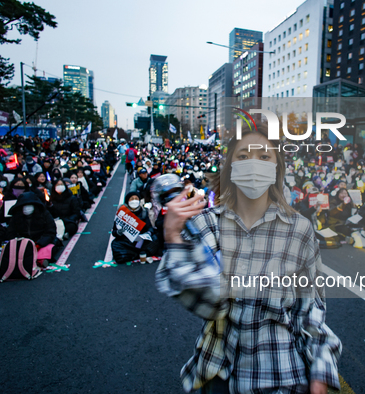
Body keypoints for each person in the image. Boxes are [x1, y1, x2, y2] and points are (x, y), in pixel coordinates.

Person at [156, 124, 341, 394]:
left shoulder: (299, 230)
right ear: (230, 166)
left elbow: (311, 311)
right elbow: (210, 304)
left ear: (277, 167)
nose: (253, 164)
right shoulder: (208, 224)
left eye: (264, 156)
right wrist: (174, 235)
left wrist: (320, 373)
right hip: (222, 370)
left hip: (284, 375)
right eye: (243, 156)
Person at [7, 192, 58, 267]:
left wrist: (39, 243)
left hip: (40, 242)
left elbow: (50, 231)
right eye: (24, 205)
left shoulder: (44, 214)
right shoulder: (16, 217)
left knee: (50, 248)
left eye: (30, 205)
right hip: (22, 243)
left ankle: (40, 260)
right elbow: (10, 232)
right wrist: (19, 241)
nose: (27, 208)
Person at [111, 191, 162, 264]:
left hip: (141, 239)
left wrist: (148, 233)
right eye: (132, 199)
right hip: (127, 240)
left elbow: (150, 227)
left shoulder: (144, 212)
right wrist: (118, 232)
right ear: (127, 201)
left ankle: (138, 254)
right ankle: (140, 254)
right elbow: (114, 232)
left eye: (136, 198)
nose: (134, 201)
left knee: (156, 238)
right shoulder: (122, 214)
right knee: (116, 244)